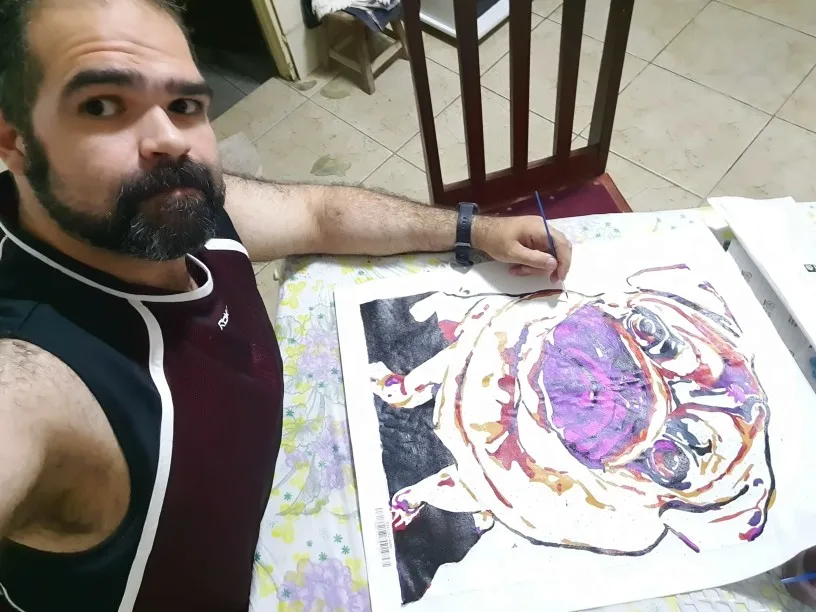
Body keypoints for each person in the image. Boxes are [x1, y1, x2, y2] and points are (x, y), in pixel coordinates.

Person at [0, 0, 572, 610]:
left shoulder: (176, 206)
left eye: (185, 105)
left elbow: (317, 214)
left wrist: (473, 230)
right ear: (14, 143)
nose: (168, 140)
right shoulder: (36, 377)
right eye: (101, 106)